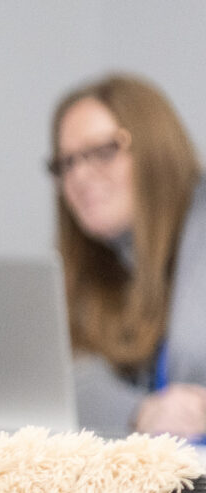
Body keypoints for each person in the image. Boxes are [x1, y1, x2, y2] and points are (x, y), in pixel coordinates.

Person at [53, 77, 206, 435]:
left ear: (156, 148)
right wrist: (141, 412)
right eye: (66, 162)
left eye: (104, 151)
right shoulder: (101, 266)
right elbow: (68, 382)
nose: (80, 175)